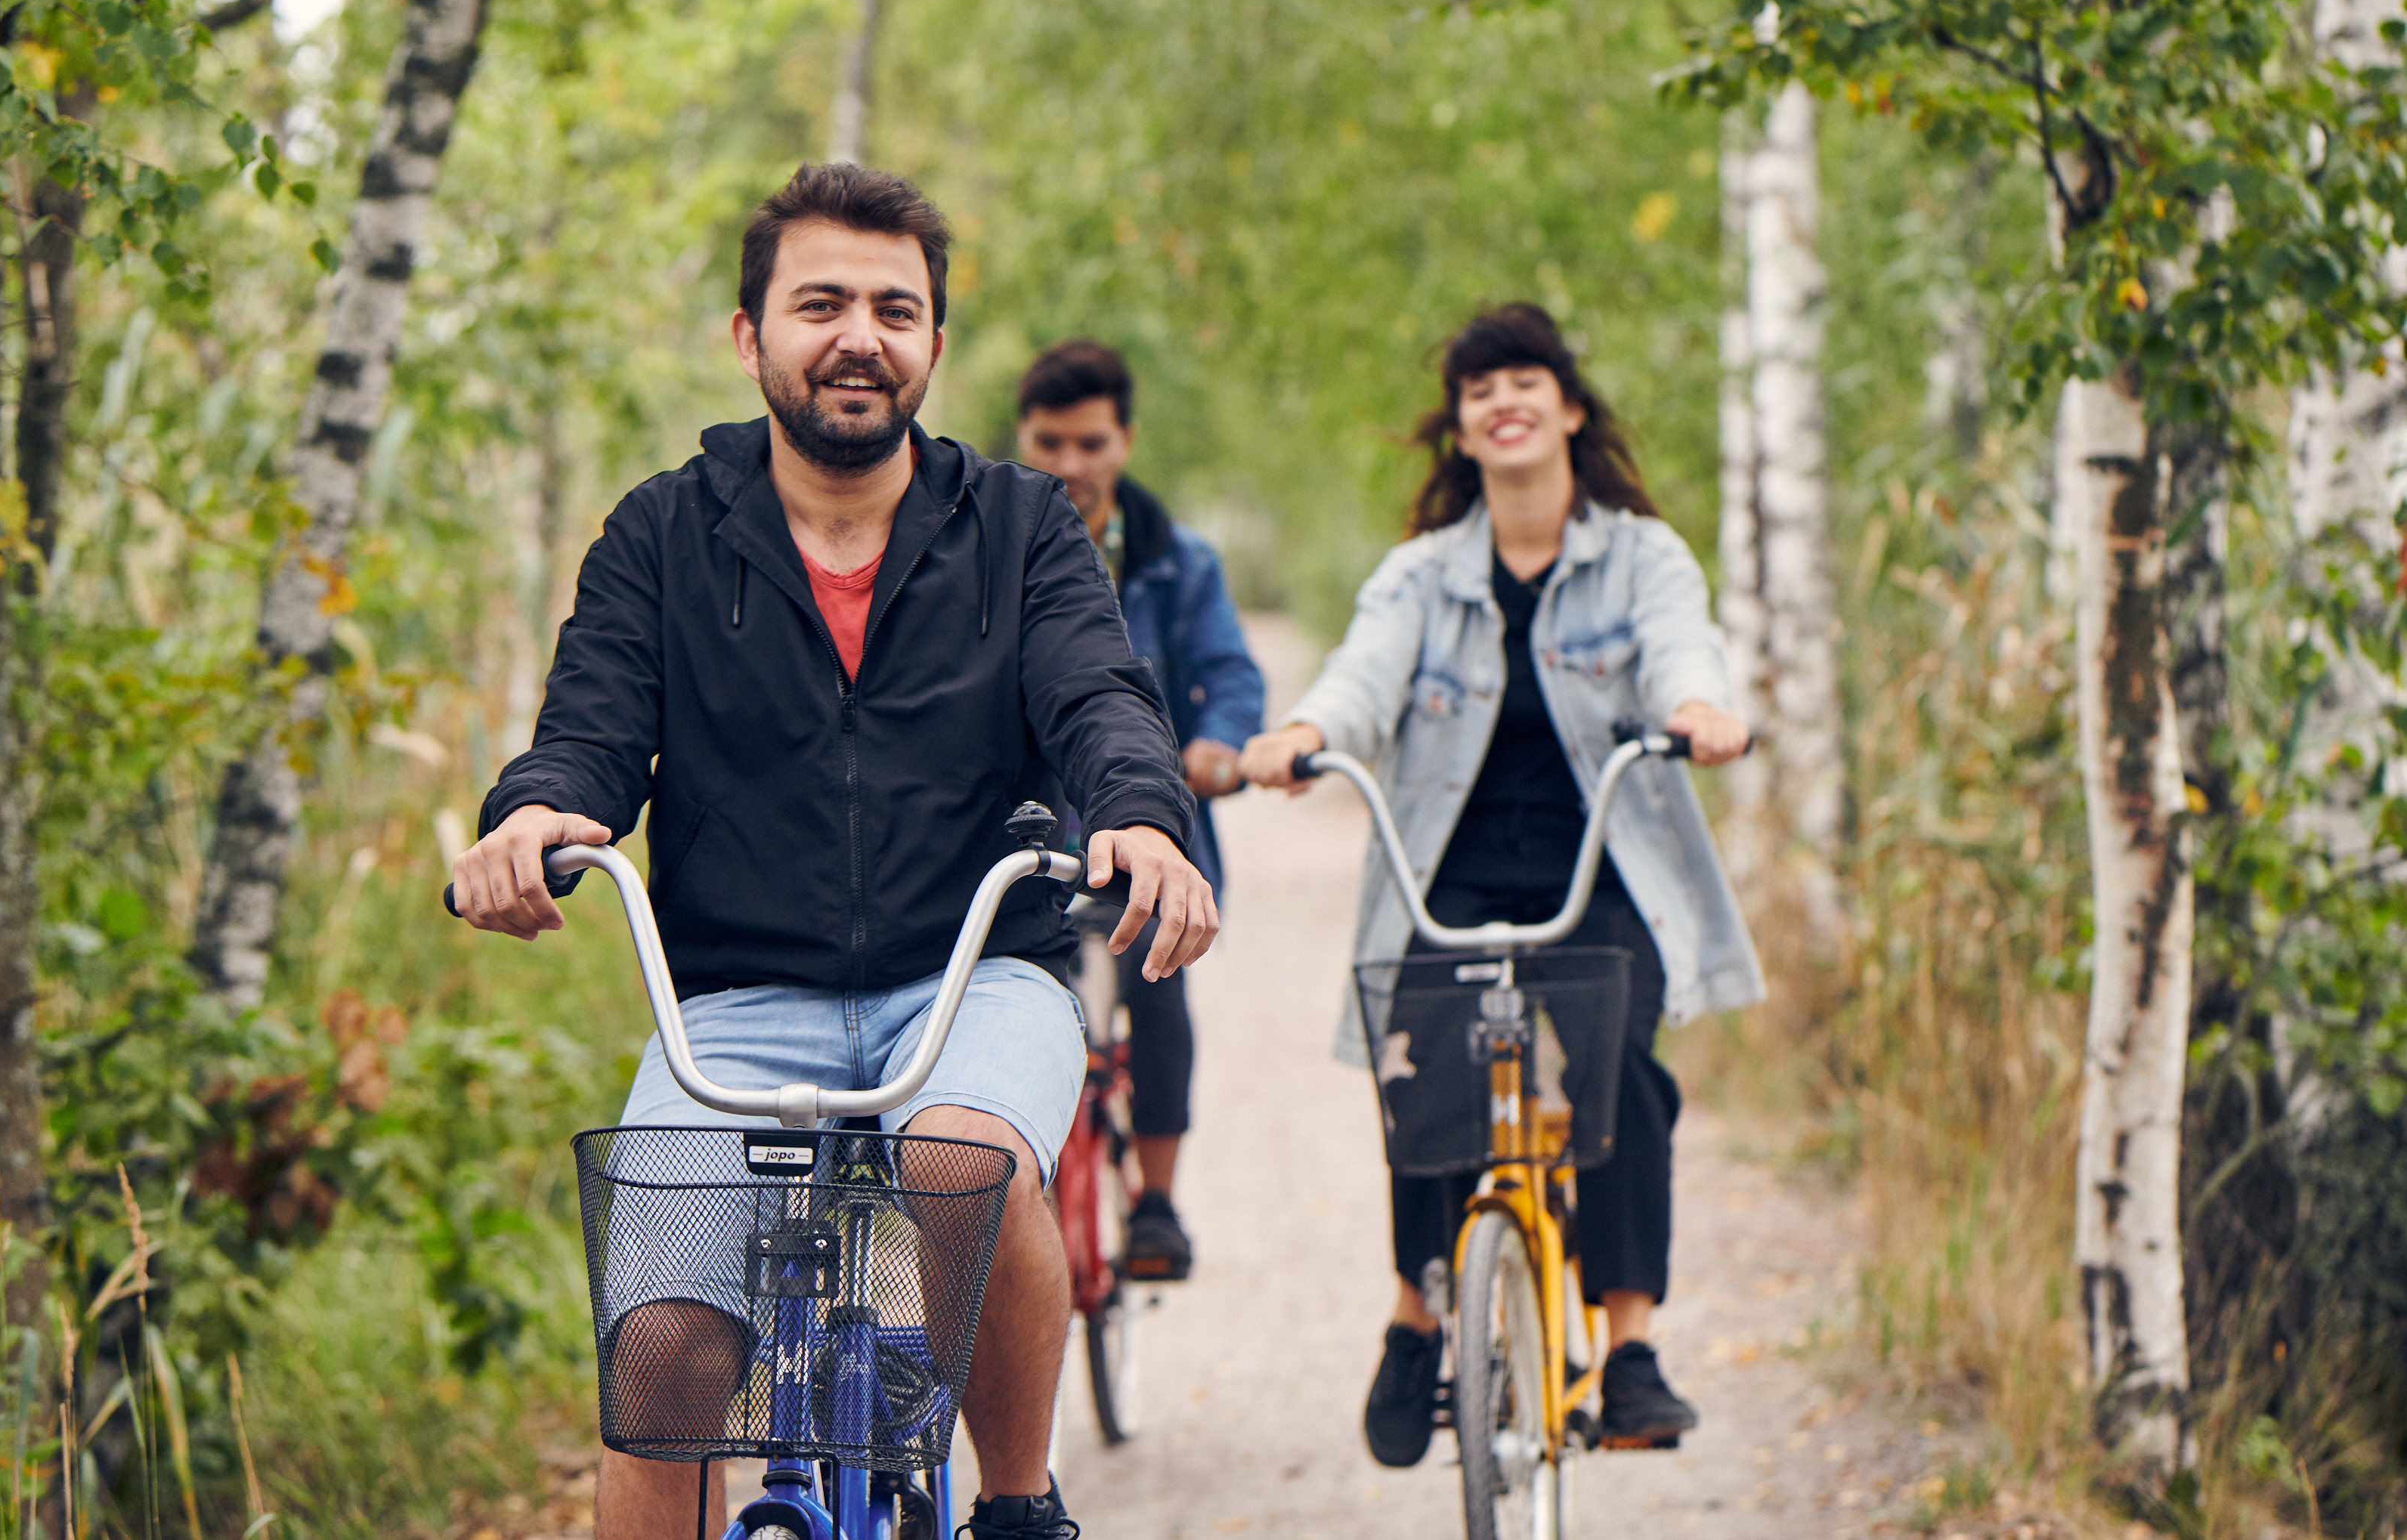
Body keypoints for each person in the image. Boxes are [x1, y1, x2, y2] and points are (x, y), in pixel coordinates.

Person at [449, 164, 1218, 1540]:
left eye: (894, 310)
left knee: (961, 1159)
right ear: (750, 337)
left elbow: (1101, 696)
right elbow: (591, 730)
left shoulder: (1023, 525)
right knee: (663, 1345)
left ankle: (1019, 1502)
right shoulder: (662, 533)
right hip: (738, 1002)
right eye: (821, 305)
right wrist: (534, 815)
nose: (860, 336)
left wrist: (1143, 815)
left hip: (974, 977)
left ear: (933, 343)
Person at [1237, 302, 1760, 1465]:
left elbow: (1682, 643)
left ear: (1569, 408)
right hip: (1453, 880)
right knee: (1424, 1078)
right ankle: (1418, 1317)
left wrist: (1697, 707)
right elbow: (1364, 672)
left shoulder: (1640, 556)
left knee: (1621, 1074)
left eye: (1525, 380)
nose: (1504, 401)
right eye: (1480, 390)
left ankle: (1629, 1350)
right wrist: (1309, 731)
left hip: (1602, 873)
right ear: (1462, 429)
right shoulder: (1422, 574)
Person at [1013, 339, 1265, 1281]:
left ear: (1125, 440)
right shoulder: (987, 544)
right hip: (1027, 836)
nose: (1070, 464)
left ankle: (1156, 1202)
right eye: (1050, 443)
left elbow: (1231, 674)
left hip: (1144, 834)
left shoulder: (1177, 563)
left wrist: (1218, 744)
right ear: (1022, 437)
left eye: (1091, 443)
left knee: (1158, 981)